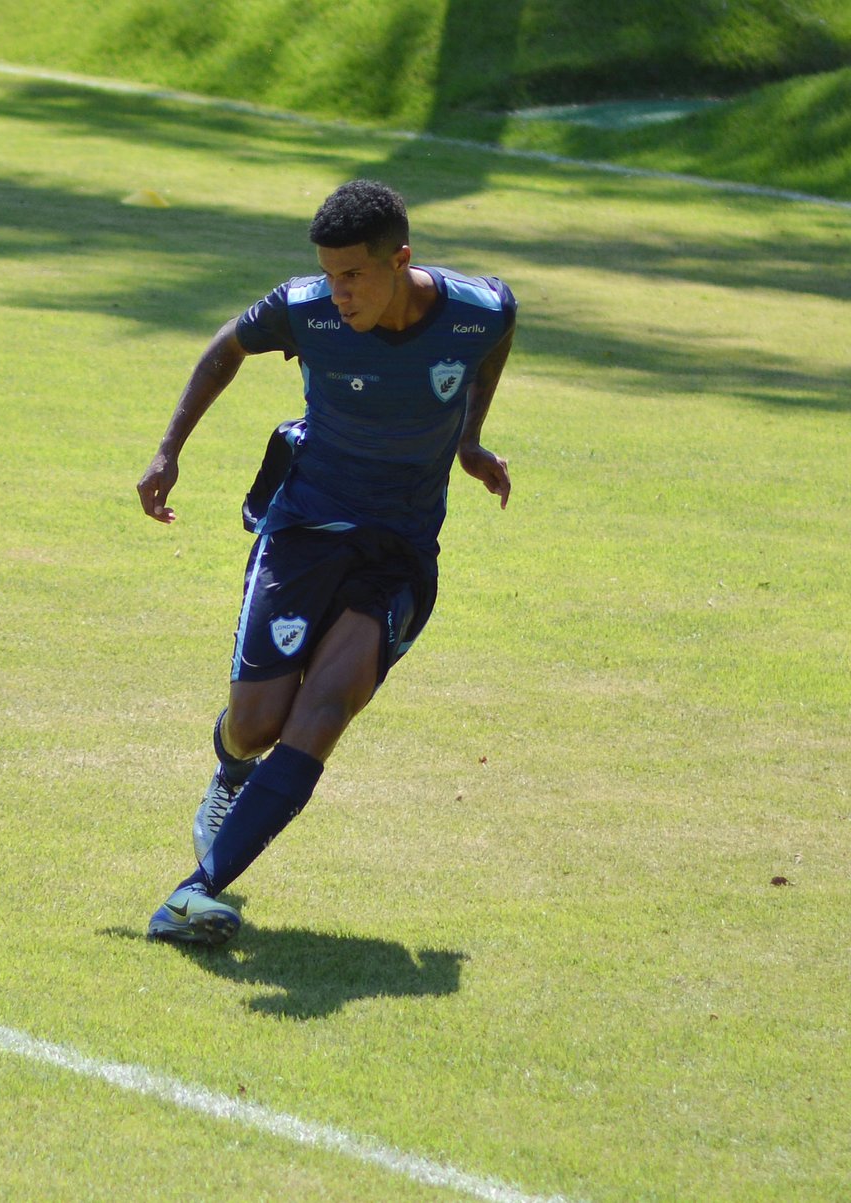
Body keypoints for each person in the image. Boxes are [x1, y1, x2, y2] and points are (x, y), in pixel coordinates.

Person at [136, 179, 516, 945]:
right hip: (305, 527)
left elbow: (495, 340)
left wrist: (469, 436)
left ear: (399, 259)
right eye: (329, 274)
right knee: (257, 722)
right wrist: (169, 450)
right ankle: (232, 767)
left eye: (354, 276)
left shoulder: (479, 308)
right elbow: (225, 349)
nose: (338, 293)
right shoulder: (303, 307)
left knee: (326, 709)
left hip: (400, 547)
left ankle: (193, 892)